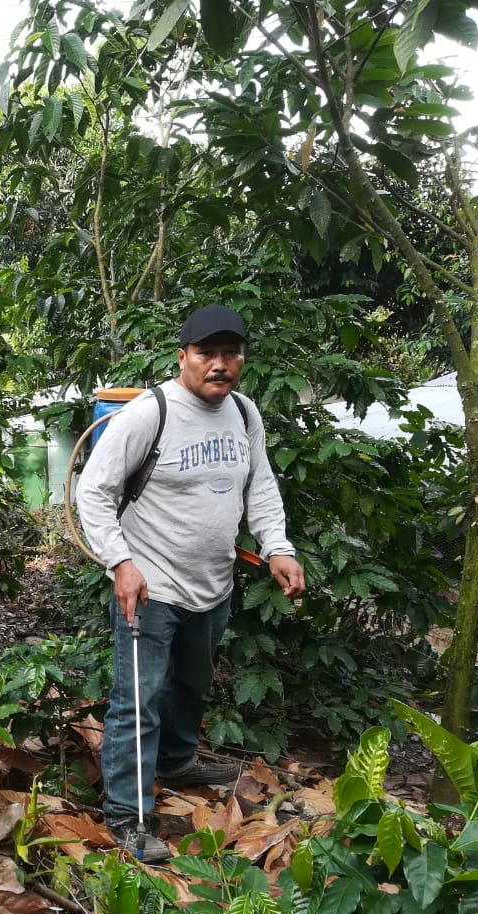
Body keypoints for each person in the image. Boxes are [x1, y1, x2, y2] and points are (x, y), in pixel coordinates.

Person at [75, 304, 305, 862]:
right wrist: (120, 563)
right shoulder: (149, 413)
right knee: (139, 700)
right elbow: (94, 493)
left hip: (212, 584)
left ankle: (177, 760)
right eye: (207, 353)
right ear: (184, 356)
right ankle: (128, 816)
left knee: (192, 685)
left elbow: (261, 488)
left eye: (231, 353)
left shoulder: (245, 415)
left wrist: (278, 547)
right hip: (148, 588)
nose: (220, 364)